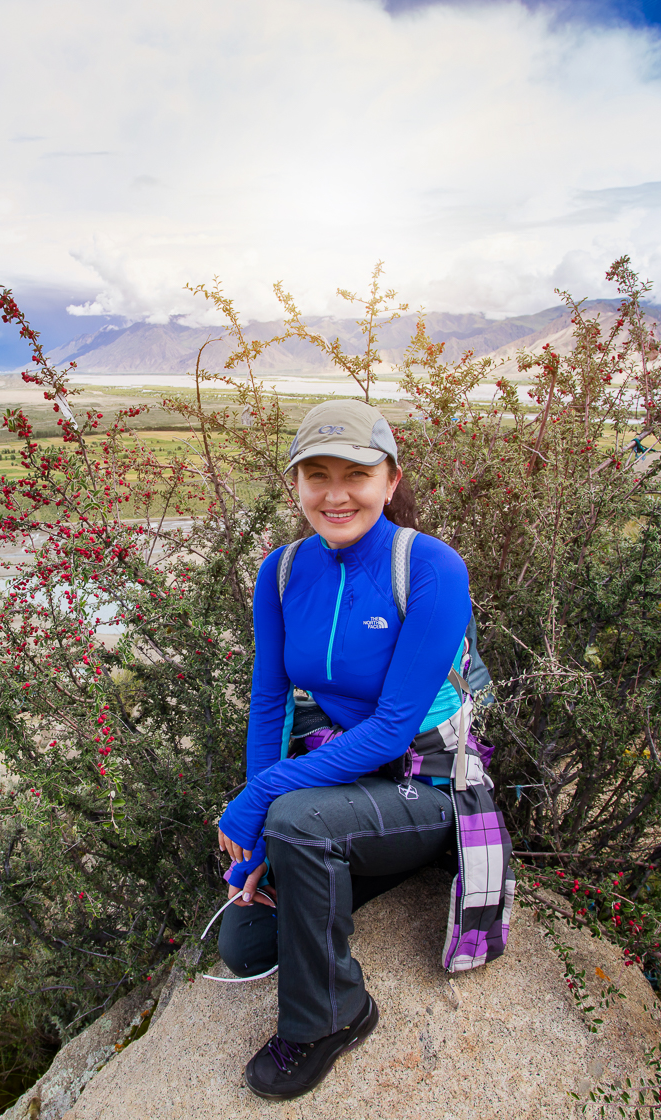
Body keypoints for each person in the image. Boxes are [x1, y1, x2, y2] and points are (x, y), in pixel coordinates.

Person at [214, 398, 474, 1101]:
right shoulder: (282, 572)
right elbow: (270, 704)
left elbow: (392, 729)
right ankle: (315, 859)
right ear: (295, 484)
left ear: (391, 480)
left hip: (424, 786)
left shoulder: (431, 567)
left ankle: (332, 1016)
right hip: (343, 791)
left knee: (297, 819)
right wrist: (259, 841)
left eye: (356, 474)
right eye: (317, 475)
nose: (336, 494)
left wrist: (265, 799)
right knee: (245, 946)